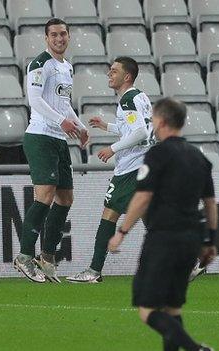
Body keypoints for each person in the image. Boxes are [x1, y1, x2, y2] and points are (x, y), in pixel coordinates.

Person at [108, 97, 217, 351]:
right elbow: (211, 203)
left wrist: (122, 232)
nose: (152, 124)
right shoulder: (198, 158)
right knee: (173, 308)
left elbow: (143, 197)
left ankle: (196, 349)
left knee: (147, 310)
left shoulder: (158, 154)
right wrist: (210, 240)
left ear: (162, 121)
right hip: (191, 239)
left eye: (154, 119)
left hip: (164, 238)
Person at [14, 18, 89, 283]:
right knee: (44, 195)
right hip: (40, 136)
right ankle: (24, 257)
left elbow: (63, 102)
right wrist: (62, 121)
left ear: (69, 36)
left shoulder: (66, 67)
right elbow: (35, 100)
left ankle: (46, 258)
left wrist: (79, 126)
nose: (59, 38)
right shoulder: (39, 64)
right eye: (54, 35)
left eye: (63, 34)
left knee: (65, 198)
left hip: (58, 138)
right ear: (46, 38)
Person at [67, 57, 154, 283]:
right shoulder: (140, 97)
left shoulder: (127, 100)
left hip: (131, 169)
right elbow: (136, 129)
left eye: (114, 71)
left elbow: (140, 134)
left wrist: (112, 149)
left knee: (109, 214)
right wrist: (107, 126)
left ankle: (94, 270)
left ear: (127, 76)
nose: (109, 74)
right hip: (145, 165)